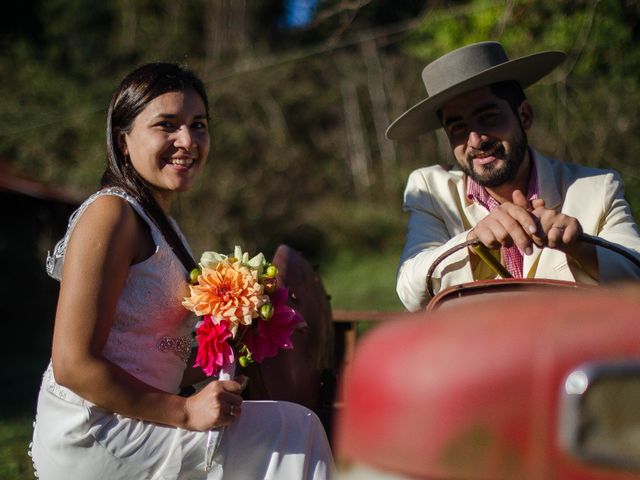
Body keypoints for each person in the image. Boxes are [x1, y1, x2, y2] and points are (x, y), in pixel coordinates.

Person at [30, 63, 333, 479]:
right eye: (166, 125)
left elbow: (154, 355)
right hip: (97, 428)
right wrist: (185, 411)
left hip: (138, 414)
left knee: (283, 425)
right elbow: (72, 363)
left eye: (199, 125)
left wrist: (255, 334)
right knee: (295, 430)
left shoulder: (162, 224)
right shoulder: (111, 214)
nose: (187, 141)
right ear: (123, 140)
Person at [387, 41, 640, 311]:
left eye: (489, 117)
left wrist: (579, 247)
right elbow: (409, 291)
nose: (476, 140)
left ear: (525, 115)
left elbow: (636, 272)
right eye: (458, 127)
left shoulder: (596, 188)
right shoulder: (432, 190)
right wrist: (471, 241)